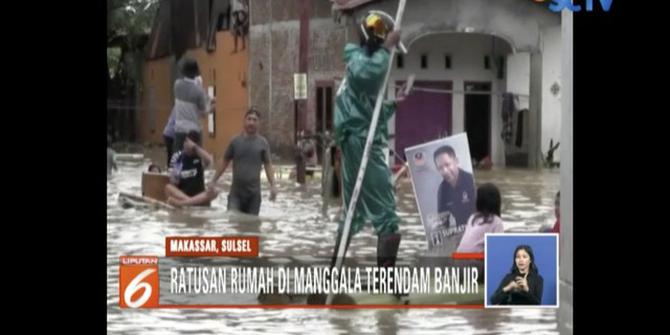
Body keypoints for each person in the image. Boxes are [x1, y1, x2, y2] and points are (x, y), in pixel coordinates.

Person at [331, 11, 406, 278]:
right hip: (362, 142)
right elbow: (368, 74)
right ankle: (386, 280)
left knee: (354, 211)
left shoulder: (357, 64)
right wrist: (388, 48)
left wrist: (392, 104)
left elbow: (366, 110)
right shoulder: (361, 62)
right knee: (387, 213)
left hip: (357, 140)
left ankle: (333, 274)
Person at [208, 109, 278, 215]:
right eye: (249, 119)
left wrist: (273, 185)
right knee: (232, 219)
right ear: (244, 121)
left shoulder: (263, 143)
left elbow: (268, 165)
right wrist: (213, 180)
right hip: (236, 194)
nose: (251, 122)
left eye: (255, 120)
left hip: (254, 195)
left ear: (259, 123)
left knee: (252, 226)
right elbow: (224, 162)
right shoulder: (235, 141)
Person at [172, 57, 215, 153]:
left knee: (177, 161)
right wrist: (211, 106)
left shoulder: (177, 85)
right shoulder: (198, 91)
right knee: (196, 161)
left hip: (179, 130)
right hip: (194, 131)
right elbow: (203, 112)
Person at [165, 131, 218, 207]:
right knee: (168, 187)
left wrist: (195, 147)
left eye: (189, 145)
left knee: (215, 191)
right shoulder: (179, 158)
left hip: (199, 194)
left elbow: (210, 161)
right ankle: (191, 202)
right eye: (185, 143)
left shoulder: (199, 157)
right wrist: (175, 176)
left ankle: (183, 203)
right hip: (184, 195)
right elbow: (173, 182)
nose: (186, 147)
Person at [434, 145, 476, 229]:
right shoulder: (442, 190)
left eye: (447, 165)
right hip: (461, 235)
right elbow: (443, 223)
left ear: (456, 161)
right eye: (440, 168)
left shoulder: (472, 181)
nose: (445, 171)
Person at [456, 183, 505, 253]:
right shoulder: (496, 221)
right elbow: (500, 246)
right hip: (473, 259)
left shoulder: (472, 217)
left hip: (458, 256)